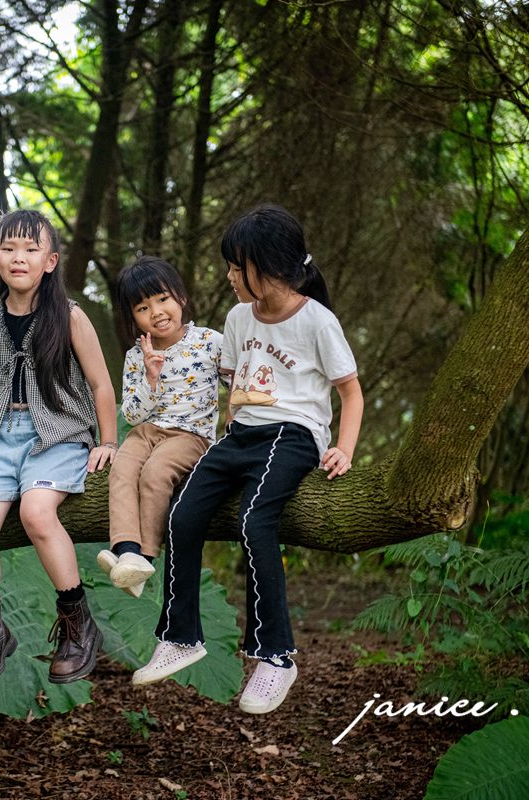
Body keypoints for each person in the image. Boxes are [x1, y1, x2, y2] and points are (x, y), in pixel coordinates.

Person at [131, 204, 363, 716]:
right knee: (182, 515)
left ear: (270, 267)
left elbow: (351, 391)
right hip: (240, 434)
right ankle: (180, 636)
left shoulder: (317, 321)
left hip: (293, 434)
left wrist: (343, 448)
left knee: (254, 520)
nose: (229, 276)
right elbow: (234, 385)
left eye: (237, 267)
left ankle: (275, 655)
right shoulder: (238, 318)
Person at [0, 209, 118, 686]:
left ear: (50, 261)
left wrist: (108, 441)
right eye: (8, 249)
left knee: (37, 512)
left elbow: (101, 384)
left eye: (30, 249)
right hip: (1, 435)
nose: (18, 257)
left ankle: (78, 624)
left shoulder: (70, 317)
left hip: (59, 433)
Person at [98, 256, 222, 598]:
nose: (156, 312)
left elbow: (239, 382)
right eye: (143, 307)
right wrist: (150, 379)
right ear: (133, 317)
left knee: (155, 473)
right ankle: (127, 550)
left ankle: (145, 558)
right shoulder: (136, 356)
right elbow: (131, 415)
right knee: (122, 470)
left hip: (190, 435)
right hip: (146, 432)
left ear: (180, 296)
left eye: (163, 299)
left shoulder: (210, 342)